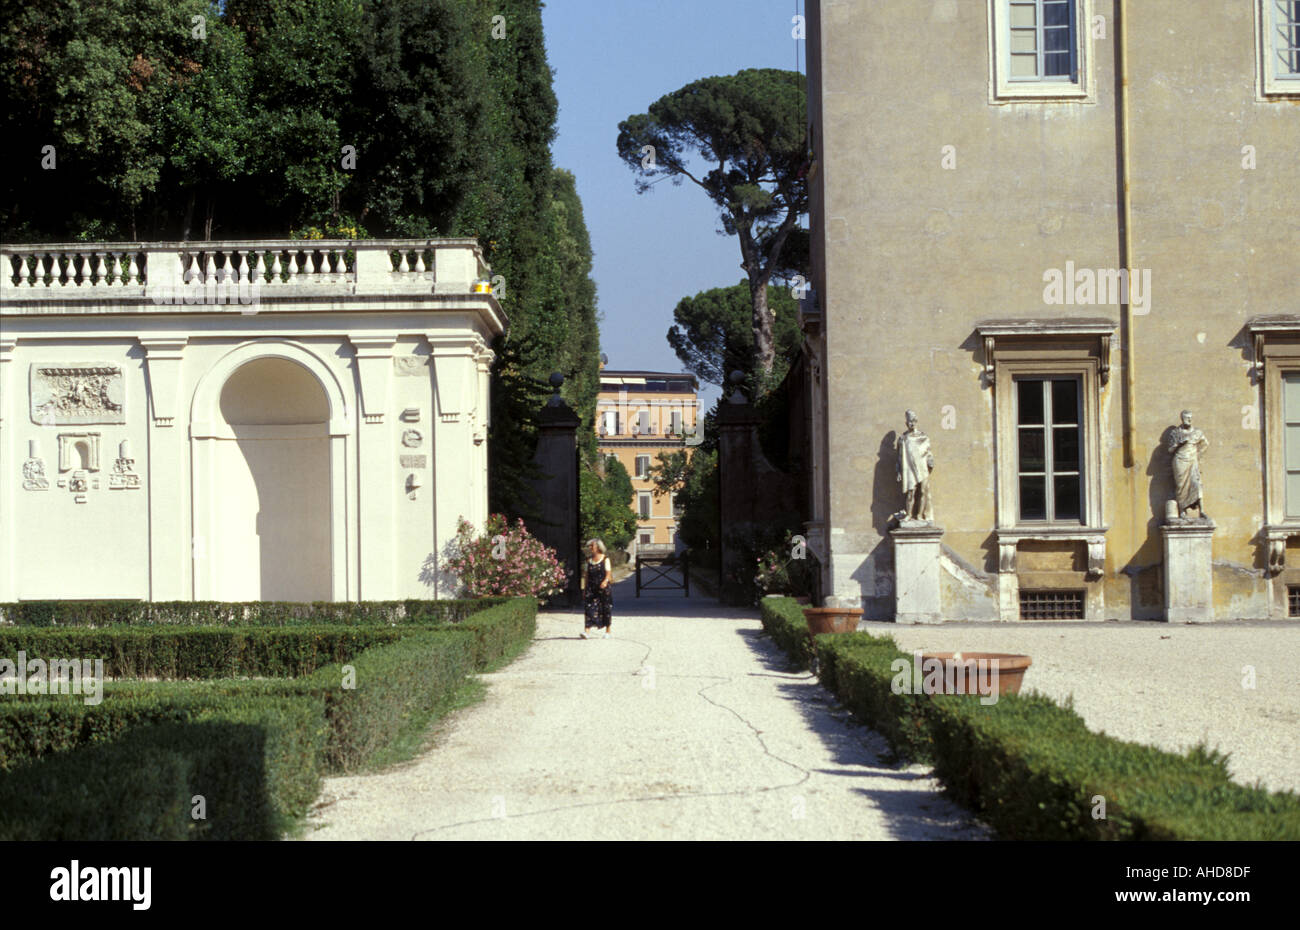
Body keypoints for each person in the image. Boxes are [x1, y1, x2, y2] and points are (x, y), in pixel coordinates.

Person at [1168, 409, 1209, 520]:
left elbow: (1205, 444)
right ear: (1182, 419)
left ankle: (1202, 511)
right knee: (1181, 486)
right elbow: (1170, 450)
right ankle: (1182, 511)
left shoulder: (1197, 432)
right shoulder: (1176, 433)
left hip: (1192, 461)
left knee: (1197, 484)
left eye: (1191, 417)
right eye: (1187, 417)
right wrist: (1178, 444)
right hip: (1180, 461)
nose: (1189, 419)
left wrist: (1198, 456)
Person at [895, 409, 935, 522]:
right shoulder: (903, 439)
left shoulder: (923, 437)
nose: (911, 423)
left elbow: (928, 452)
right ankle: (908, 514)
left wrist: (930, 461)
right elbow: (899, 456)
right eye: (909, 422)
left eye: (913, 421)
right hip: (909, 469)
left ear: (916, 421)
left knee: (923, 491)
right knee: (910, 492)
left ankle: (919, 515)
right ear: (906, 423)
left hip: (922, 467)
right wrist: (898, 471)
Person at [582, 538, 613, 638]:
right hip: (591, 587)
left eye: (592, 546)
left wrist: (605, 581)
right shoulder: (588, 560)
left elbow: (608, 573)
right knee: (589, 608)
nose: (590, 548)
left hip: (603, 588)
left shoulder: (605, 559)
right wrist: (584, 588)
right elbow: (586, 575)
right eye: (589, 546)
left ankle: (608, 631)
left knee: (605, 608)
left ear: (598, 547)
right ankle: (587, 631)